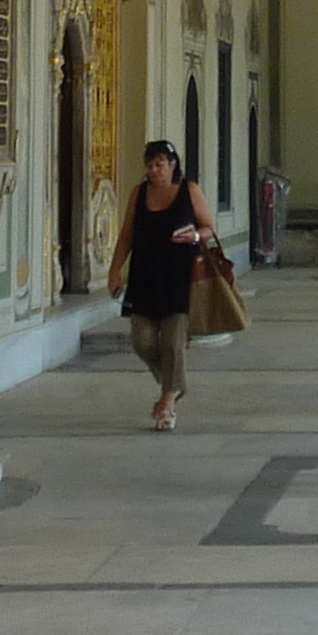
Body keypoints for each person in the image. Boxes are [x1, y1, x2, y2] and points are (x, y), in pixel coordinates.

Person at [107, 140, 214, 432]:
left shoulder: (189, 191)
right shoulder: (139, 193)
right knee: (141, 341)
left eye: (160, 164)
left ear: (173, 164)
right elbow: (126, 235)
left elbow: (208, 227)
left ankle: (167, 404)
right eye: (150, 165)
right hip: (144, 276)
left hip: (180, 276)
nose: (155, 171)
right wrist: (115, 271)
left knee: (173, 342)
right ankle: (176, 385)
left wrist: (193, 237)